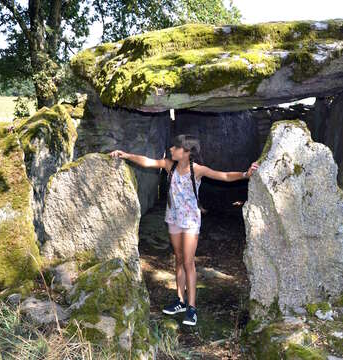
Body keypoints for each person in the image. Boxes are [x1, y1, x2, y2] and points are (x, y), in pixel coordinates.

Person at [109, 134, 259, 326]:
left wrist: (246, 174)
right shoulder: (169, 165)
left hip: (190, 221)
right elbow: (147, 162)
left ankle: (192, 307)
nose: (172, 149)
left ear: (186, 152)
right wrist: (126, 155)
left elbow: (225, 176)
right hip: (173, 218)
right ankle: (180, 300)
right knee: (178, 258)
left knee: (188, 262)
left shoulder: (197, 170)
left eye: (176, 147)